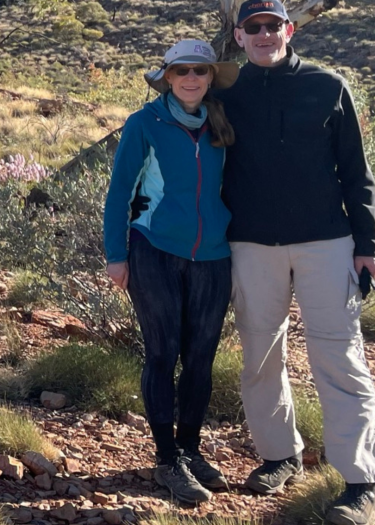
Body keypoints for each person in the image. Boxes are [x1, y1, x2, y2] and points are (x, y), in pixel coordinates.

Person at [215, 0, 375, 525]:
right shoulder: (225, 92)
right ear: (239, 37)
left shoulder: (327, 86)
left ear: (290, 30)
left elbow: (356, 172)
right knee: (259, 356)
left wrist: (368, 246)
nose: (264, 34)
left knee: (339, 356)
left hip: (326, 242)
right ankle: (279, 456)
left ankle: (360, 483)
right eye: (253, 27)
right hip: (250, 244)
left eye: (273, 25)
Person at [103, 39, 239, 505]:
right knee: (162, 353)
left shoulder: (221, 122)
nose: (191, 78)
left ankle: (190, 450)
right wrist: (116, 254)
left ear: (210, 76)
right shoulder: (145, 122)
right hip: (154, 250)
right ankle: (167, 459)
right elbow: (120, 190)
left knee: (201, 358)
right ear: (167, 77)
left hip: (214, 256)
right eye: (182, 71)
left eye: (200, 70)